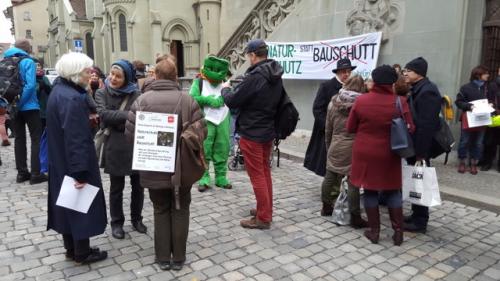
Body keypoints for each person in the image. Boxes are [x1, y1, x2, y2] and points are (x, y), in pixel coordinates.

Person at [125, 58, 206, 271]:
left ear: (156, 76)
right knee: (180, 208)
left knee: (160, 209)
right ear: (175, 77)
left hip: (153, 165)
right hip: (183, 166)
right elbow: (202, 132)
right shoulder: (188, 100)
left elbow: (130, 135)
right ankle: (178, 258)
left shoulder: (141, 101)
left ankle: (162, 258)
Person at [46, 52, 107, 264]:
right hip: (73, 162)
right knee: (80, 206)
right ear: (74, 73)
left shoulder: (59, 91)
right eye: (86, 71)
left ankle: (71, 248)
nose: (90, 74)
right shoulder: (71, 98)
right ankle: (83, 251)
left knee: (68, 204)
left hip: (61, 160)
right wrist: (80, 172)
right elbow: (76, 139)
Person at [347, 65, 415, 246]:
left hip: (365, 152)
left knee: (369, 190)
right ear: (393, 82)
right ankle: (398, 233)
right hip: (390, 153)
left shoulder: (362, 101)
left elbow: (350, 127)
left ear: (374, 81)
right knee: (392, 190)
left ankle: (374, 232)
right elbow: (411, 127)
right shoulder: (400, 101)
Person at [221, 39, 283, 229]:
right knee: (264, 172)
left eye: (248, 55)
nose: (248, 58)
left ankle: (263, 218)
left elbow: (233, 100)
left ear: (253, 55)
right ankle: (265, 209)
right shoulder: (275, 73)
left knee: (257, 175)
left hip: (253, 132)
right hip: (267, 130)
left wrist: (225, 89)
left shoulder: (256, 76)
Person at [95, 59, 146, 239]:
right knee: (116, 188)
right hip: (114, 146)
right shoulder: (102, 92)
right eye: (112, 74)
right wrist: (129, 116)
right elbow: (104, 115)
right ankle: (117, 223)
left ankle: (137, 218)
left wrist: (119, 117)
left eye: (118, 76)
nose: (113, 78)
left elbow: (142, 116)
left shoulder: (136, 94)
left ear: (127, 78)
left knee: (138, 187)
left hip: (134, 144)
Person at [403, 56, 442, 233]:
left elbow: (427, 125)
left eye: (408, 71)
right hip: (415, 145)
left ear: (418, 73)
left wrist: (421, 152)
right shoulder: (417, 88)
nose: (405, 73)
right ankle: (415, 213)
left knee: (421, 182)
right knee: (415, 180)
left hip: (421, 147)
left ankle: (420, 221)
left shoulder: (428, 91)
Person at [323, 75, 367, 228]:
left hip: (336, 142)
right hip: (355, 147)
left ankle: (326, 207)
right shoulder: (363, 104)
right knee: (353, 182)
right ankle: (355, 216)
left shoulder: (334, 102)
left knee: (329, 176)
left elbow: (328, 128)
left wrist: (329, 145)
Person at [4, 39, 47, 184]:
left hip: (13, 107)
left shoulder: (5, 61)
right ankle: (36, 174)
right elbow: (30, 85)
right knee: (36, 139)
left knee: (19, 139)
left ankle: (22, 174)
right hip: (29, 106)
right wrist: (20, 102)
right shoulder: (28, 62)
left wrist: (12, 105)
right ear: (27, 49)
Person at [304, 58, 355, 179]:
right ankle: (330, 186)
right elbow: (317, 109)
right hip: (328, 131)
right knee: (327, 163)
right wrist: (328, 126)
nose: (346, 74)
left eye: (348, 71)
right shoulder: (327, 86)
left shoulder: (353, 87)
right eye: (343, 71)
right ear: (337, 72)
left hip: (347, 133)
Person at [189, 56, 232, 191]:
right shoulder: (199, 82)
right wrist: (207, 100)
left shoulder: (225, 82)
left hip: (223, 118)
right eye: (212, 69)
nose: (215, 73)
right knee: (205, 148)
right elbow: (192, 98)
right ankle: (204, 177)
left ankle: (221, 177)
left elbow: (231, 97)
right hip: (206, 119)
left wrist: (222, 99)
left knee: (222, 147)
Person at [455, 65, 490, 175]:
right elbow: (458, 102)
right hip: (468, 119)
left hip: (482, 119)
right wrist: (469, 106)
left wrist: (491, 105)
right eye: (485, 73)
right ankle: (462, 162)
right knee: (464, 141)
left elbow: (493, 101)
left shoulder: (488, 88)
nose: (488, 75)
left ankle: (474, 163)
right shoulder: (466, 87)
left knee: (478, 143)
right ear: (478, 75)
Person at [482, 67, 500, 172]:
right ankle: (487, 162)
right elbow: (488, 99)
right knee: (490, 141)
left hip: (494, 114)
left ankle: (488, 163)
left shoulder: (492, 84)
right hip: (493, 115)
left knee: (491, 141)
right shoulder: (492, 85)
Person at [35, 61, 52, 128]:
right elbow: (33, 92)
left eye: (39, 66)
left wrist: (47, 87)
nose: (38, 67)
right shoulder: (32, 78)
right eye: (36, 66)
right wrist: (39, 88)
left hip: (47, 107)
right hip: (38, 109)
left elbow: (51, 90)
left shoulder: (45, 77)